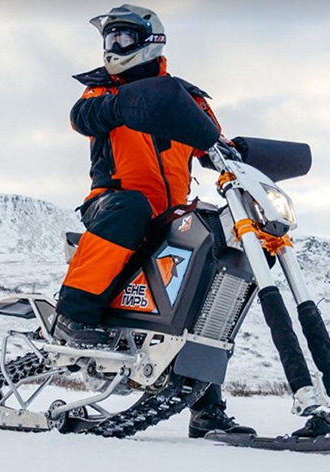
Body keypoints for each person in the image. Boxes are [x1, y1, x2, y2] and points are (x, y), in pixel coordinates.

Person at [54, 3, 255, 438]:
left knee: (212, 260)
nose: (114, 47)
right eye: (110, 39)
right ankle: (73, 312)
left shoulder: (189, 100)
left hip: (171, 213)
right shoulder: (102, 92)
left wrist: (236, 154)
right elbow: (84, 117)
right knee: (132, 206)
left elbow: (213, 144)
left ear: (151, 41)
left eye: (123, 37)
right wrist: (132, 101)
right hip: (112, 204)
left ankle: (205, 407)